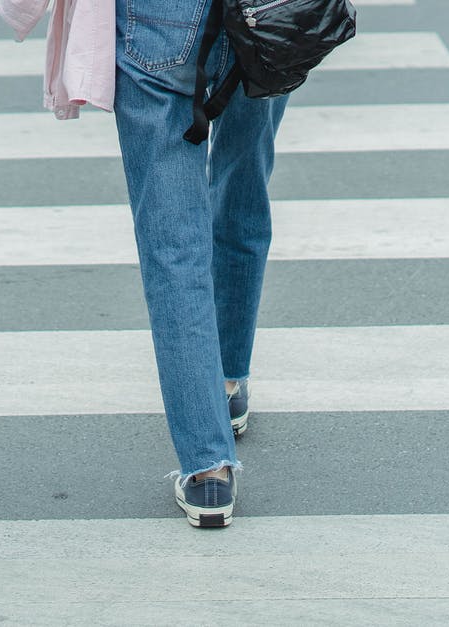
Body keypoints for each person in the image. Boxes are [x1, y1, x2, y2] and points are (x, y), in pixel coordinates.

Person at [113, 0, 288, 527]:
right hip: (268, 8)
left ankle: (208, 469)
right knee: (243, 185)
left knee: (173, 242)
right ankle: (228, 382)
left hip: (158, 14)